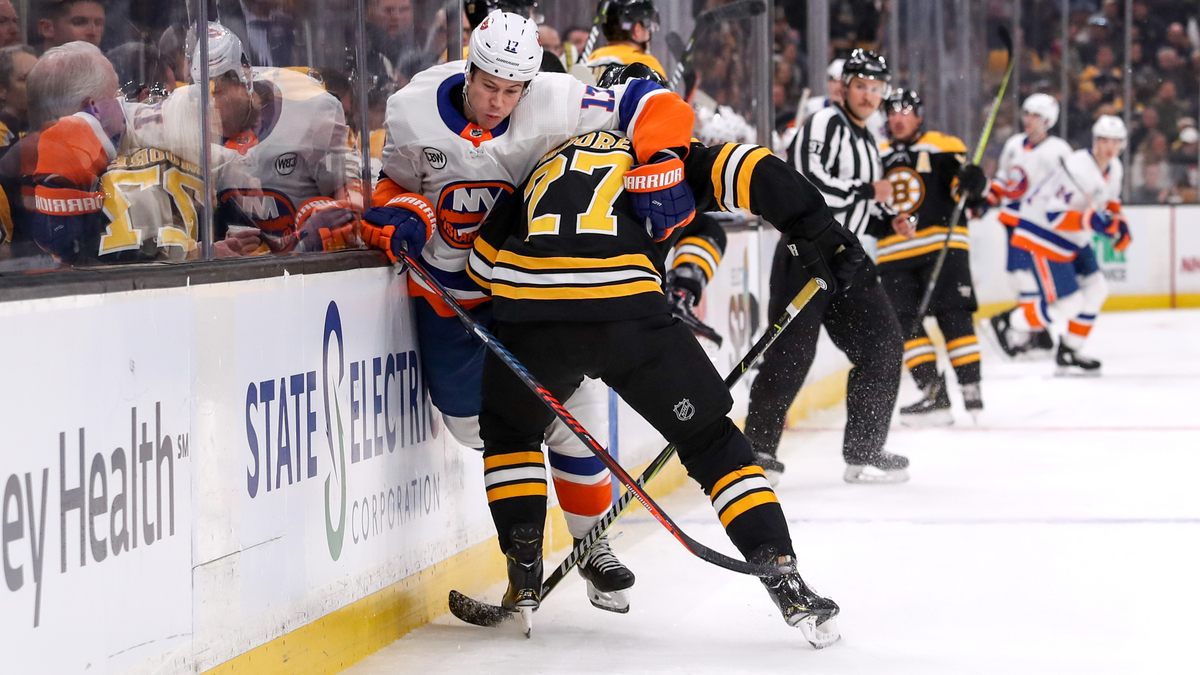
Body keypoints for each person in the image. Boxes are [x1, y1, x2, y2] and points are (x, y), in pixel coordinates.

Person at [466, 127, 855, 647]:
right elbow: (749, 167)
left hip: (533, 317)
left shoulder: (544, 158)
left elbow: (479, 268)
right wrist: (817, 228)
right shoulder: (656, 150)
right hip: (628, 313)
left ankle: (523, 559)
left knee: (510, 433)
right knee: (714, 446)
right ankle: (781, 573)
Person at [366, 10, 696, 614]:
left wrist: (663, 159)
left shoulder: (557, 99)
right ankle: (535, 542)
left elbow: (652, 103)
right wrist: (402, 214)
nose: (498, 102)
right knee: (476, 426)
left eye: (512, 90)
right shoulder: (411, 108)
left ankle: (592, 546)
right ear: (469, 69)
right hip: (449, 298)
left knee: (572, 411)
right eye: (488, 85)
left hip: (530, 292)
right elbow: (391, 186)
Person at [747, 49, 908, 485]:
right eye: (861, 86)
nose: (869, 96)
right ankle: (756, 453)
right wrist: (867, 191)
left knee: (883, 346)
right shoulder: (822, 123)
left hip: (849, 259)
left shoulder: (869, 140)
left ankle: (864, 452)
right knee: (791, 355)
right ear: (844, 87)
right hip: (806, 255)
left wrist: (886, 221)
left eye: (876, 88)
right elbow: (806, 185)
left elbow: (856, 209)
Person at [19, 41, 246, 263]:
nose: (124, 102)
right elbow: (102, 253)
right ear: (92, 107)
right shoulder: (71, 161)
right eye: (117, 93)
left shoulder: (30, 162)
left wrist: (198, 250)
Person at [196, 23, 363, 255]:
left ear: (244, 78)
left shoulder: (311, 111)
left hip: (311, 269)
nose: (210, 105)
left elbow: (352, 199)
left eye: (218, 92)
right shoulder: (186, 121)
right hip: (237, 269)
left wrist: (338, 220)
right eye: (201, 95)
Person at [877, 88, 989, 425]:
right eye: (892, 112)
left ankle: (971, 389)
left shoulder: (943, 146)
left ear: (918, 116)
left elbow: (964, 195)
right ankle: (933, 393)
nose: (898, 119)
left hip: (943, 247)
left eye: (905, 112)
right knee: (903, 325)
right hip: (893, 254)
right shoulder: (875, 153)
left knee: (954, 316)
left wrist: (973, 183)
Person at [1009, 115, 1130, 376]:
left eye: (1115, 142)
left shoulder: (1115, 168)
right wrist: (1092, 221)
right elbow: (1054, 215)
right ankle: (1010, 322)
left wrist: (1120, 225)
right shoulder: (1077, 167)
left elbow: (1110, 202)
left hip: (1073, 237)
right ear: (1095, 141)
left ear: (1122, 144)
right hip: (1042, 234)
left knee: (1097, 289)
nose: (1109, 147)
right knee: (1069, 304)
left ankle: (1069, 351)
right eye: (1104, 140)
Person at [982, 93, 1073, 360]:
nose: (1028, 120)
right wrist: (987, 201)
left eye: (1035, 116)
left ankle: (1030, 330)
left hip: (1041, 226)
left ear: (1048, 121)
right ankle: (1034, 332)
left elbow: (1069, 185)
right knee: (1022, 276)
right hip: (1015, 221)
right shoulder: (1014, 145)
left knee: (1035, 279)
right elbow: (1004, 178)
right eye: (1027, 114)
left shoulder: (1058, 150)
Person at [587, 0, 666, 80]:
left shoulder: (592, 59)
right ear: (637, 30)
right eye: (646, 25)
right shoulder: (646, 63)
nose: (649, 32)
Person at [37, 0, 105, 50]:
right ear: (47, 28)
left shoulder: (108, 63)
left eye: (98, 23)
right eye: (79, 22)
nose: (92, 32)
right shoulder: (32, 63)